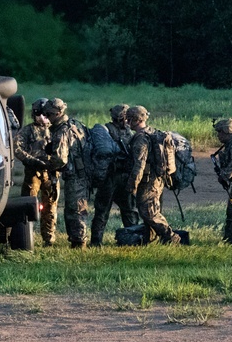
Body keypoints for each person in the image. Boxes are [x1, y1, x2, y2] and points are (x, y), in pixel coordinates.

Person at [125, 105, 182, 245]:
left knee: (148, 212)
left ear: (135, 120)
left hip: (148, 181)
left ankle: (171, 237)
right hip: (158, 178)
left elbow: (139, 164)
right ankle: (149, 240)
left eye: (129, 119)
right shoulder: (152, 132)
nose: (127, 122)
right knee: (151, 210)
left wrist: (132, 184)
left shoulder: (140, 138)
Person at [89, 104, 141, 247]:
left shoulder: (106, 131)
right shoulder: (128, 132)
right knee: (127, 211)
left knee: (104, 211)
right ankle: (131, 241)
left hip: (112, 177)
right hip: (117, 177)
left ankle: (96, 242)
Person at [42, 98, 90, 248]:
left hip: (75, 175)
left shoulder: (62, 131)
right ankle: (77, 239)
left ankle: (79, 241)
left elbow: (60, 159)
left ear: (58, 113)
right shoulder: (75, 124)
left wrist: (48, 165)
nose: (47, 118)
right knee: (75, 207)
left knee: (75, 209)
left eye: (49, 114)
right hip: (81, 173)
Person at [13, 98, 59, 246]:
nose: (42, 117)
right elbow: (17, 148)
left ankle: (49, 239)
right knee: (28, 206)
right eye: (38, 114)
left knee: (50, 207)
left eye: (45, 114)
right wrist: (31, 160)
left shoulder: (56, 130)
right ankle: (26, 236)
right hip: (33, 173)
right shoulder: (27, 130)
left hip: (51, 174)